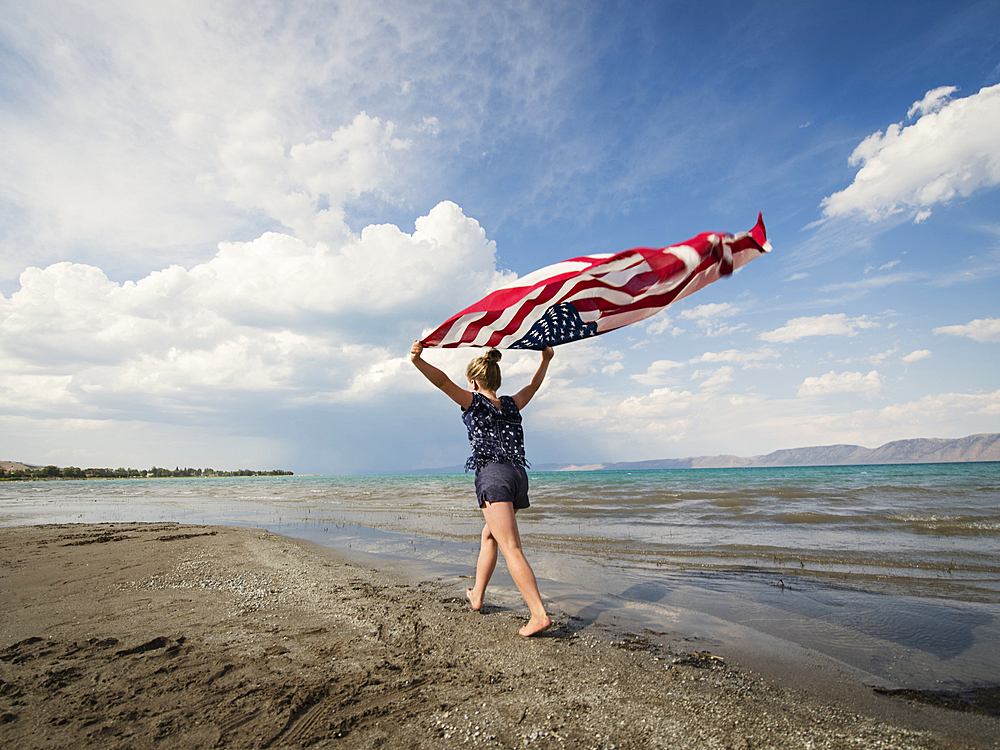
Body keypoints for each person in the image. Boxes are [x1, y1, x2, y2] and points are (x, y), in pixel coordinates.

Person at [409, 340, 554, 637]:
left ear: (474, 382)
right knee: (490, 534)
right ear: (496, 380)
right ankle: (477, 594)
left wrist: (417, 360)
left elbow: (442, 382)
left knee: (511, 547)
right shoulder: (512, 404)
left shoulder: (474, 401)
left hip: (494, 476)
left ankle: (538, 614)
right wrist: (546, 359)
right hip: (517, 475)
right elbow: (533, 386)